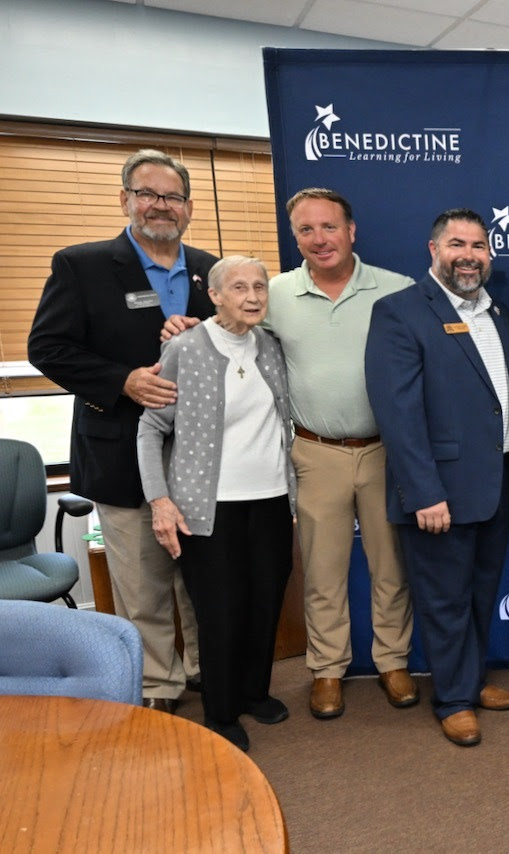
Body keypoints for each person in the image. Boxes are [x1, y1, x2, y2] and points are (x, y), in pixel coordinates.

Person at [28, 149, 213, 712]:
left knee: (202, 581)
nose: (160, 205)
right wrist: (123, 381)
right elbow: (48, 348)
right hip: (119, 453)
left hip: (201, 456)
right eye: (147, 193)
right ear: (125, 199)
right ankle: (159, 685)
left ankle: (211, 672)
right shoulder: (81, 265)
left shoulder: (211, 269)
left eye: (172, 196)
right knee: (142, 583)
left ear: (188, 207)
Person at [365, 208, 509, 747]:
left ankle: (471, 679)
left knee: (481, 592)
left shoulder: (495, 312)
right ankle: (454, 699)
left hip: (495, 480)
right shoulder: (399, 312)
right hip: (440, 490)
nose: (469, 254)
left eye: (479, 246)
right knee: (443, 599)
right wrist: (424, 492)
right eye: (457, 243)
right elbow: (398, 412)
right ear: (433, 249)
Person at [265, 189, 418, 720]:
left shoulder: (397, 290)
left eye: (329, 227)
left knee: (391, 566)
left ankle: (393, 662)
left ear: (351, 231)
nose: (319, 239)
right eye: (306, 230)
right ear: (295, 238)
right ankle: (327, 670)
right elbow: (235, 344)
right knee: (323, 572)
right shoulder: (274, 294)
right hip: (315, 451)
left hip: (384, 451)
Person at [137, 256, 294, 752]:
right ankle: (222, 711)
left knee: (265, 602)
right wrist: (160, 501)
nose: (252, 297)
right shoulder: (186, 348)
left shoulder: (270, 346)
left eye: (260, 288)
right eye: (240, 288)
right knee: (220, 612)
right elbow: (149, 430)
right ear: (216, 296)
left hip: (270, 499)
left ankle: (254, 692)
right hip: (210, 507)